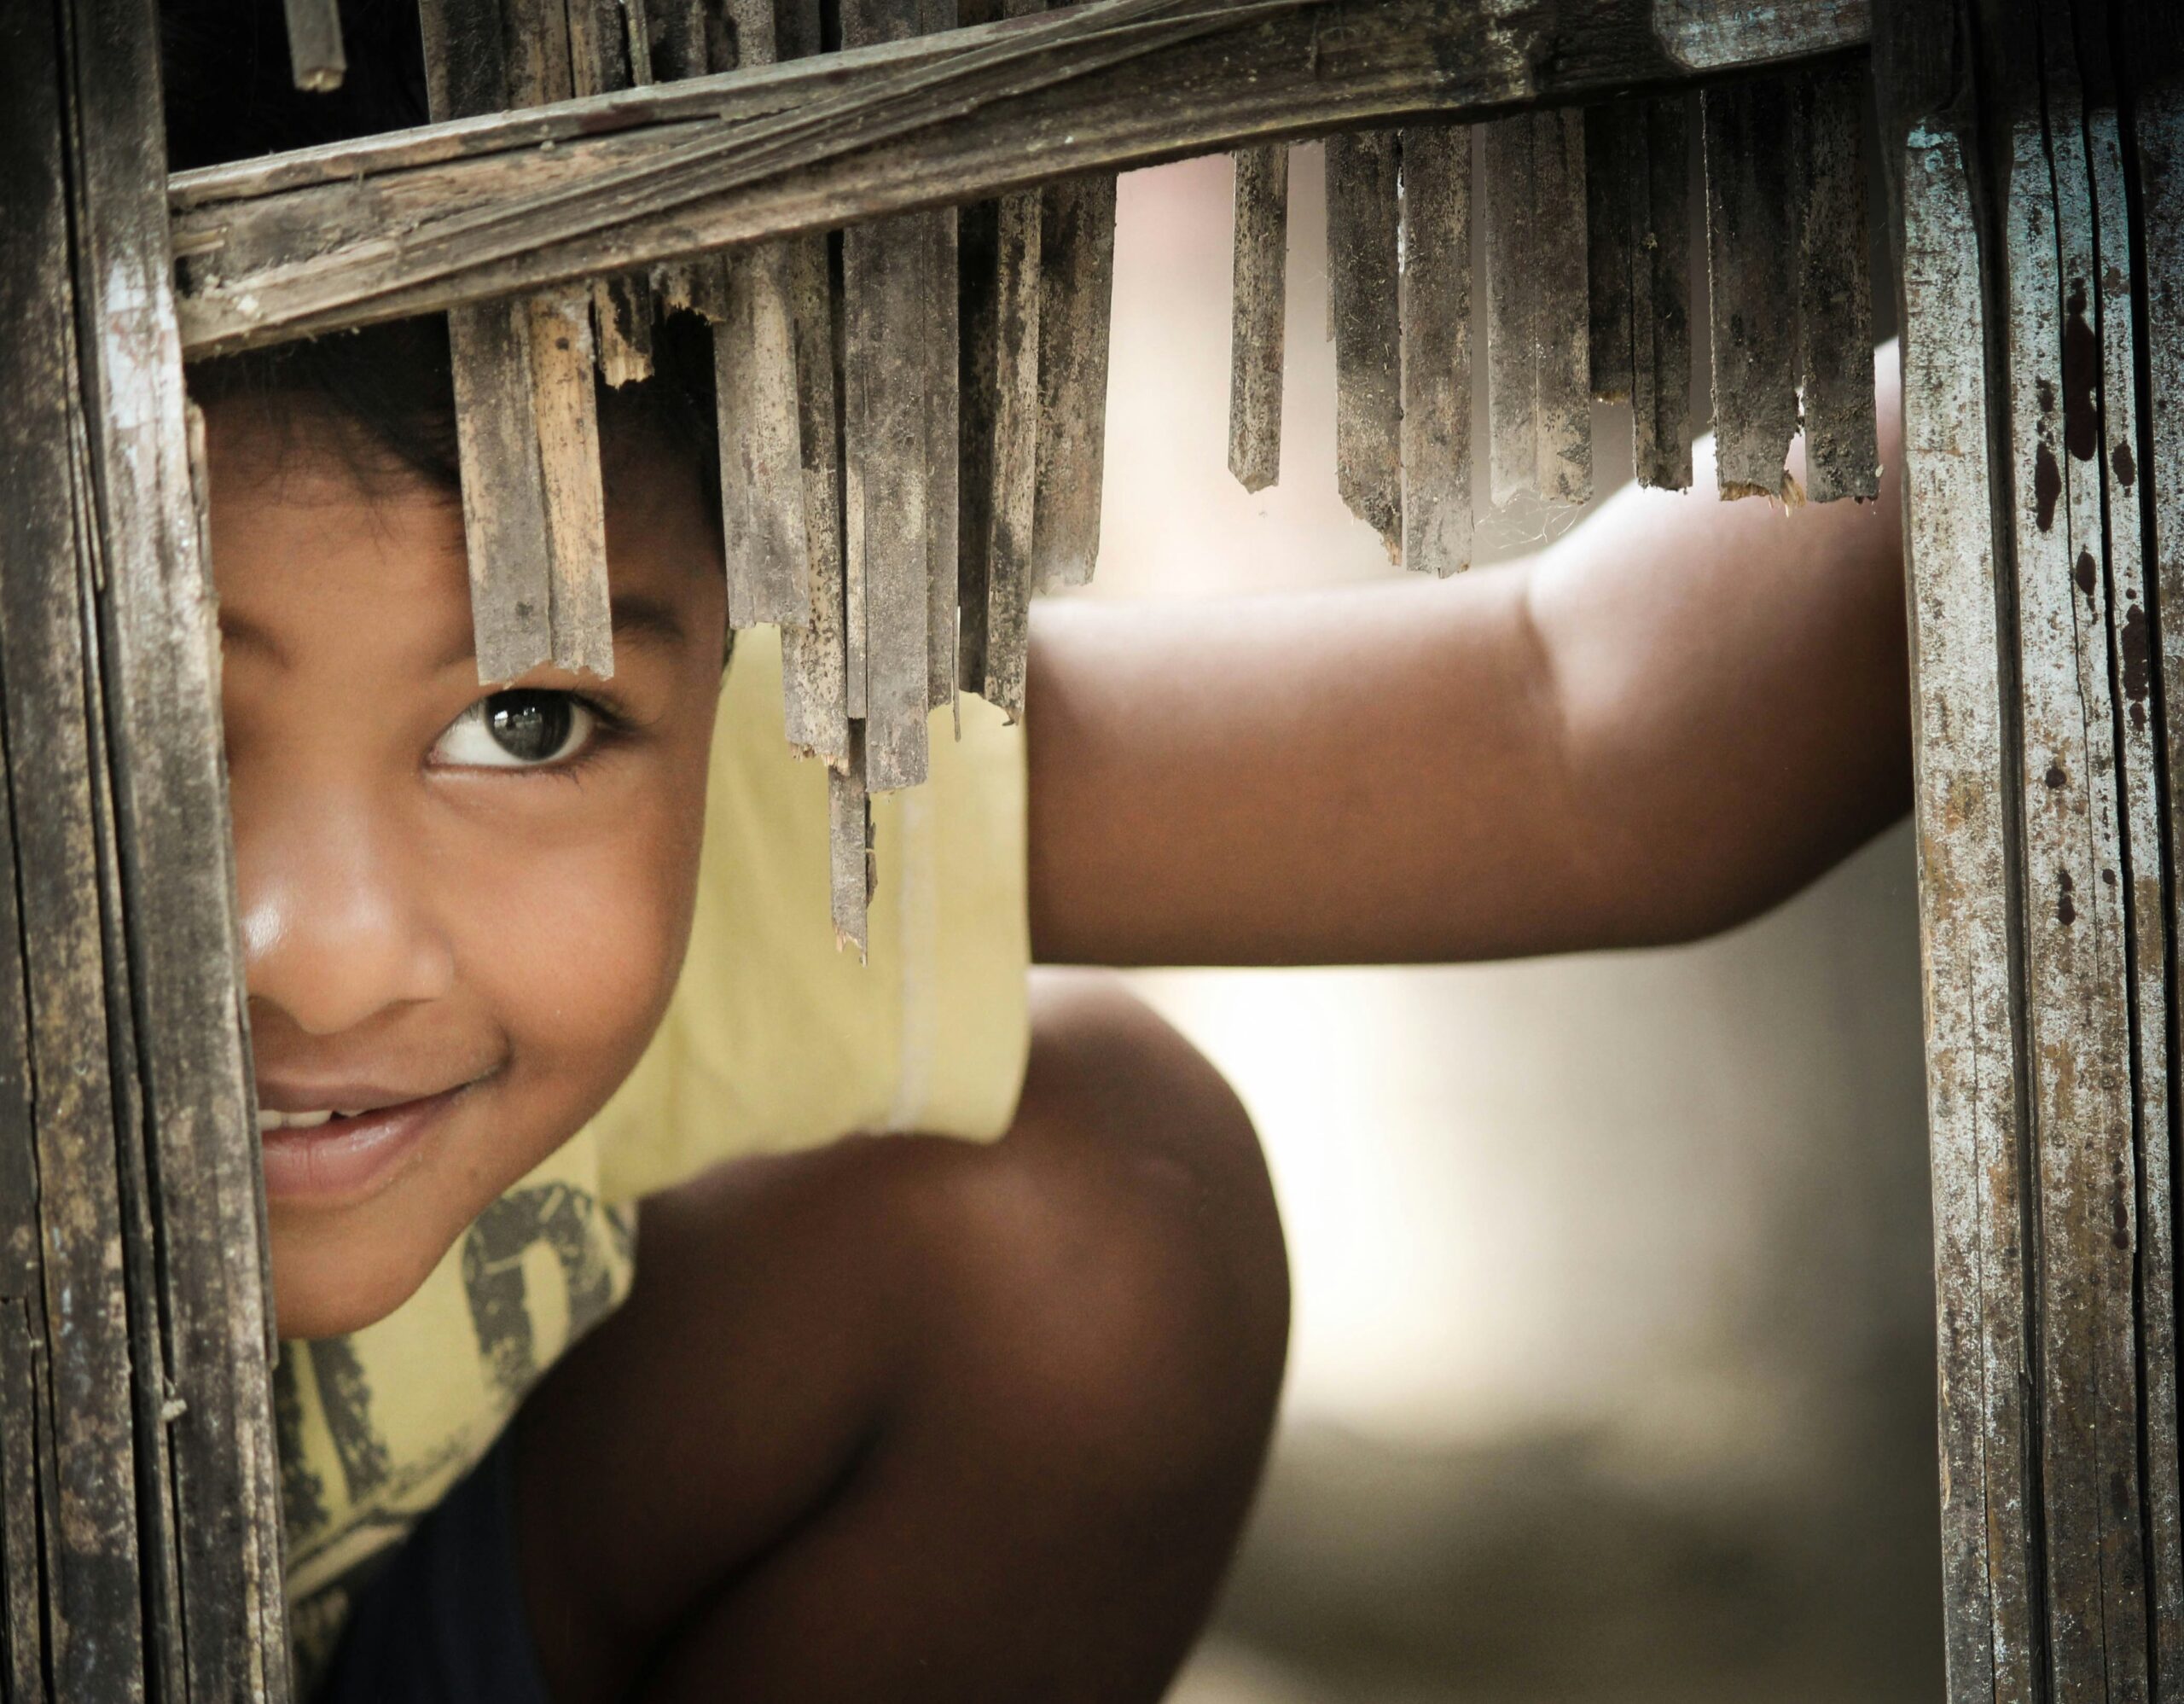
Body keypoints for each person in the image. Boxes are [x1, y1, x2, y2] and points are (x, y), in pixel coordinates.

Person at [166, 4, 1912, 1700]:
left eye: (523, 720)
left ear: (730, 629)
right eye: (156, 725)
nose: (325, 954)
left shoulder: (743, 793)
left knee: (1091, 1219)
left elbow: (1574, 736)